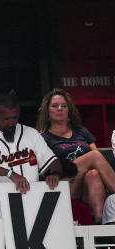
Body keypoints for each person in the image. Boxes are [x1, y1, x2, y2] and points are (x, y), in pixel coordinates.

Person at [0, 92, 62, 219]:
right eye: (7, 119)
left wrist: (54, 174)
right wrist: (10, 174)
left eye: (14, 117)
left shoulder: (31, 134)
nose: (11, 122)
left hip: (30, 207)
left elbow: (52, 161)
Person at [36, 88, 115, 223]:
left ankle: (99, 222)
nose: (60, 108)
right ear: (48, 112)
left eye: (64, 106)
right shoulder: (43, 138)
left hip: (85, 187)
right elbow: (45, 171)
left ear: (69, 110)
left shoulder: (81, 132)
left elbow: (99, 163)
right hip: (63, 184)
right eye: (55, 106)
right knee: (94, 156)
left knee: (94, 174)